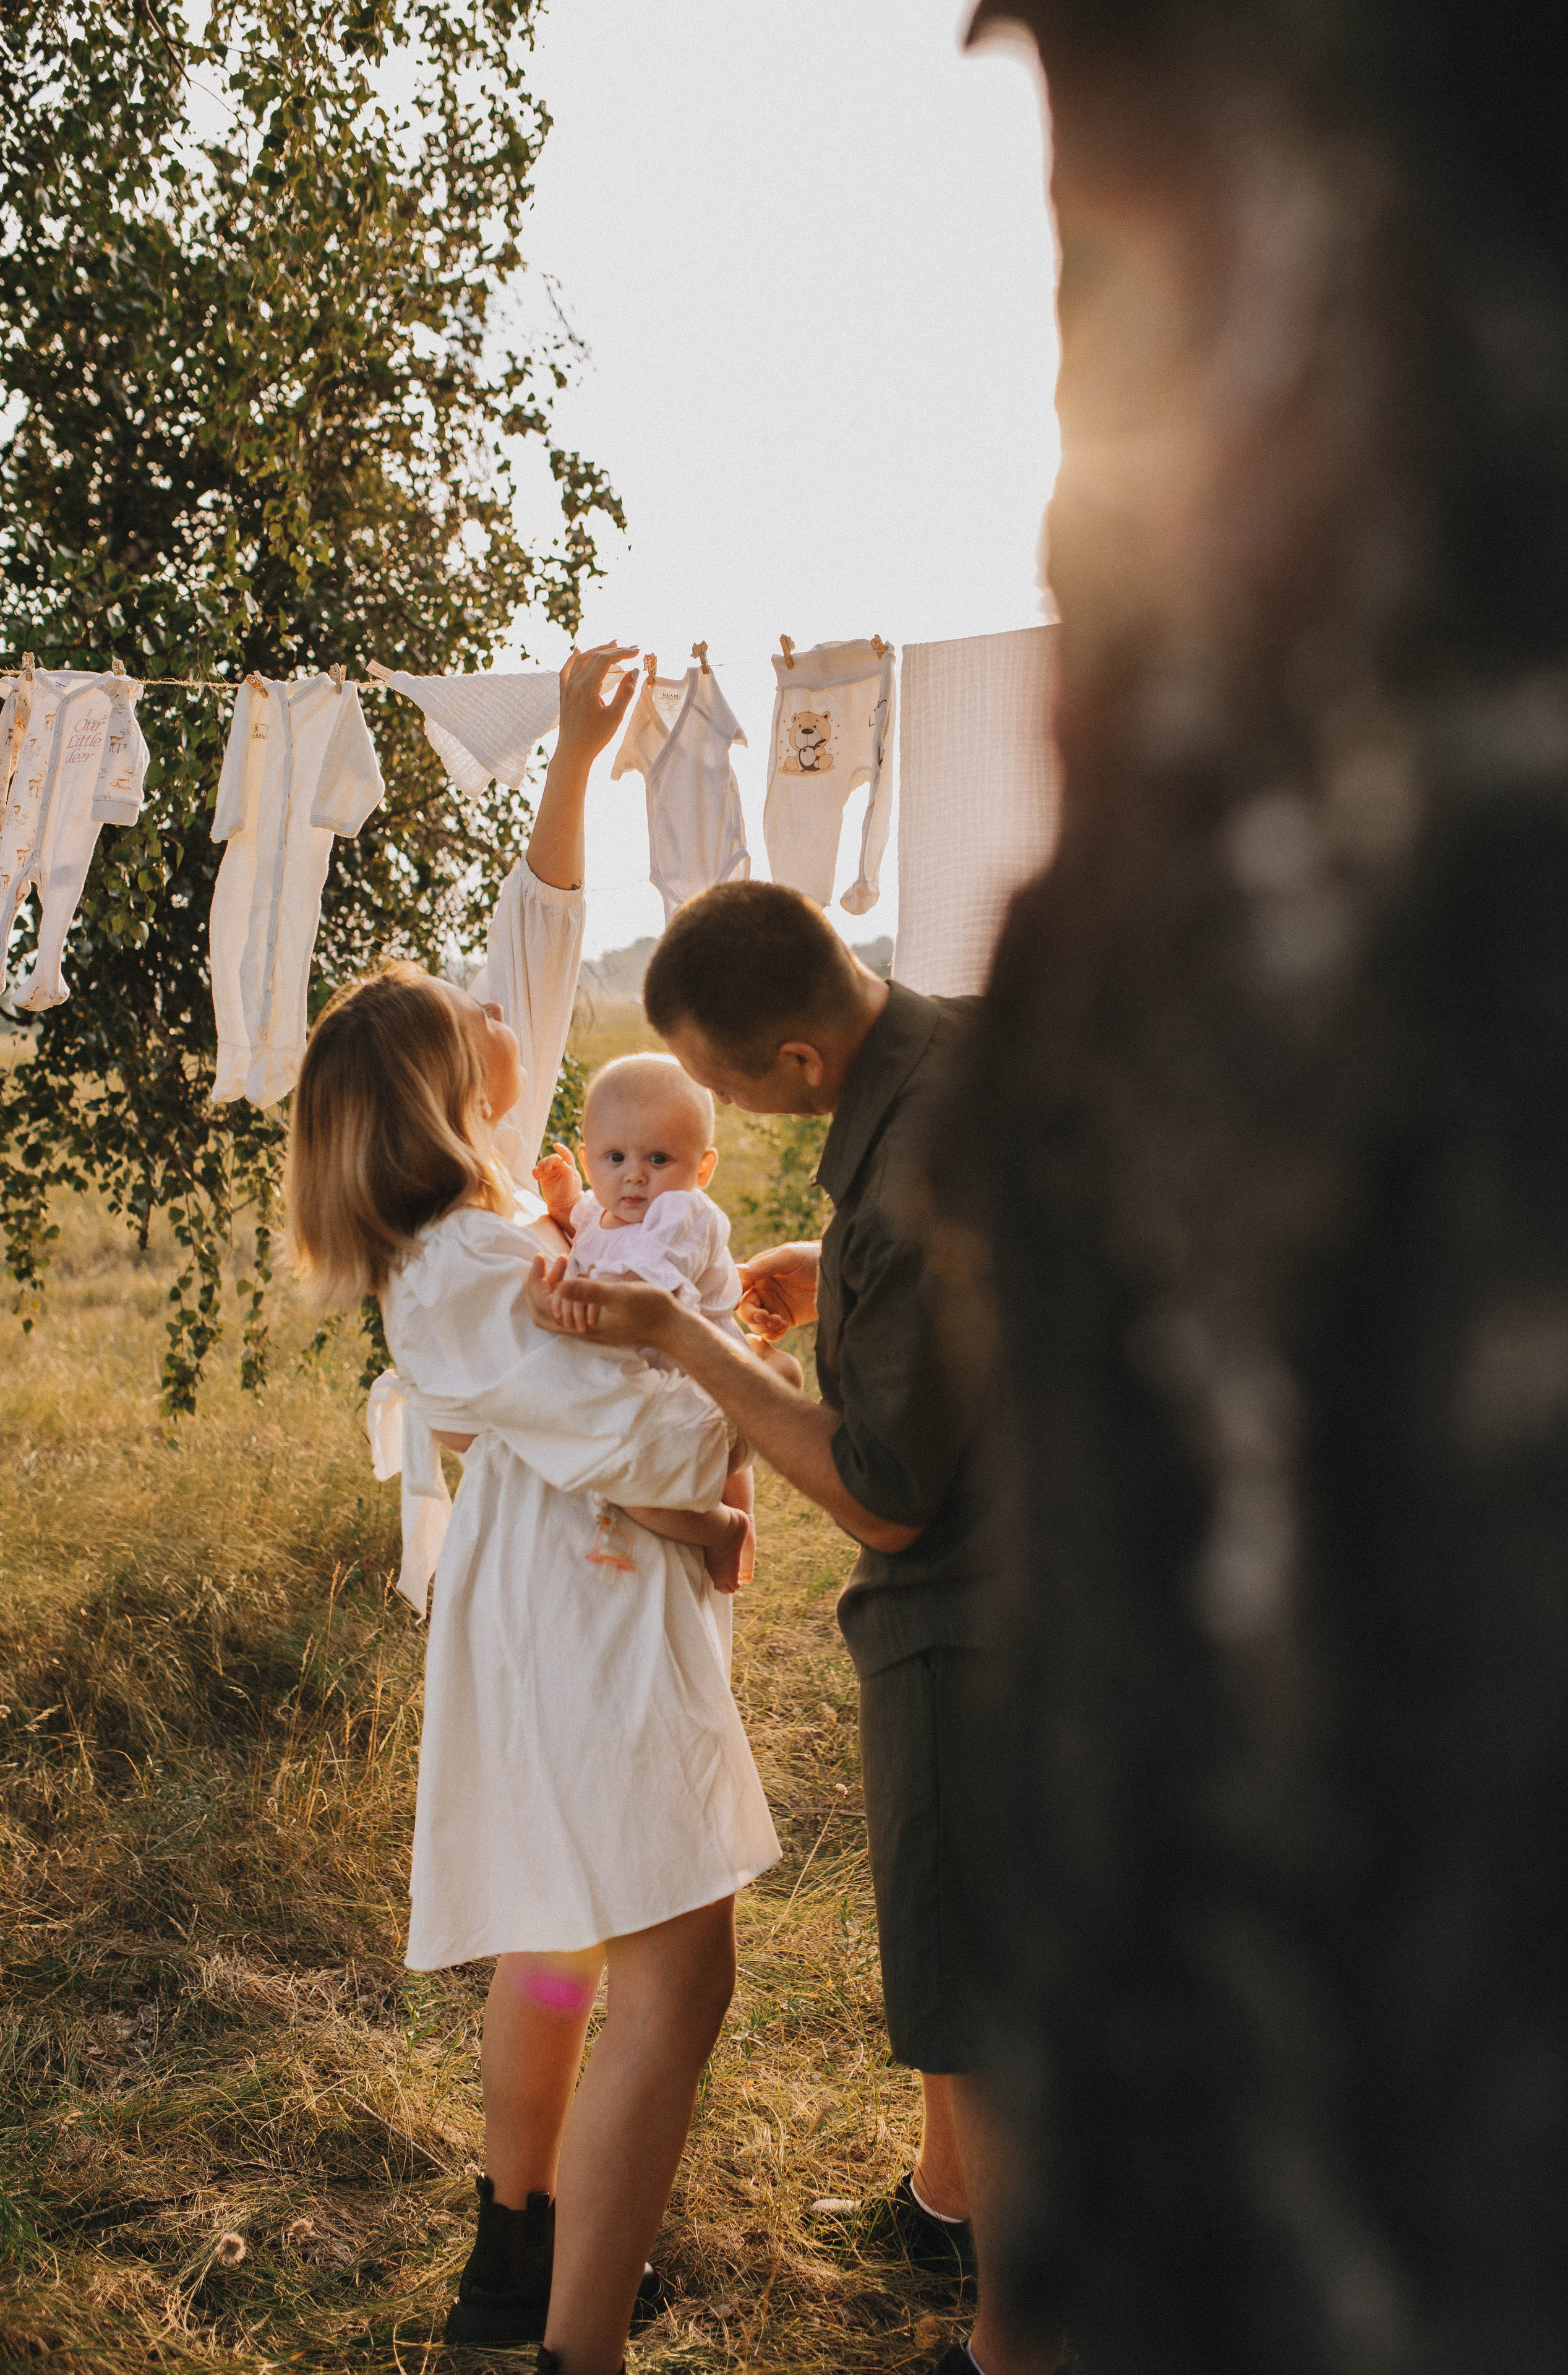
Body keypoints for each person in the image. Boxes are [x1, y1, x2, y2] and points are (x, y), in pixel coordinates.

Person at [285, 651, 781, 2375]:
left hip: (540, 1593)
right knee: (670, 1967)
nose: (509, 1026)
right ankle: (575, 2339)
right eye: (472, 1031)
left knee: (561, 1934)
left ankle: (518, 2250)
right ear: (448, 1095)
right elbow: (641, 1449)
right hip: (577, 1604)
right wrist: (743, 1341)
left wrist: (571, 759)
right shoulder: (482, 1267)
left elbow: (538, 946)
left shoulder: (480, 1218)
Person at [531, 878, 1055, 2375]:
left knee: (975, 1979)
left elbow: (884, 1495)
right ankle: (944, 2204)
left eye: (717, 1078)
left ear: (797, 1064)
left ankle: (1014, 2343)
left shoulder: (897, 1175)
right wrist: (839, 1291)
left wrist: (686, 1341)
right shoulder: (968, 1045)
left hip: (968, 1603)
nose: (710, 1104)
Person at [533, 1053, 801, 1593]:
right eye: (615, 1157)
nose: (634, 1175)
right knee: (695, 1465)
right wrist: (562, 1199)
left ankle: (723, 1530)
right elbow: (580, 1221)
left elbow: (642, 1289)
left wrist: (568, 1302)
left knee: (638, 1488)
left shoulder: (684, 1215)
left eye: (658, 1158)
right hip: (663, 1377)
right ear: (589, 1163)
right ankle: (759, 1413)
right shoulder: (603, 1207)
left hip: (708, 1380)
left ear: (702, 1169)